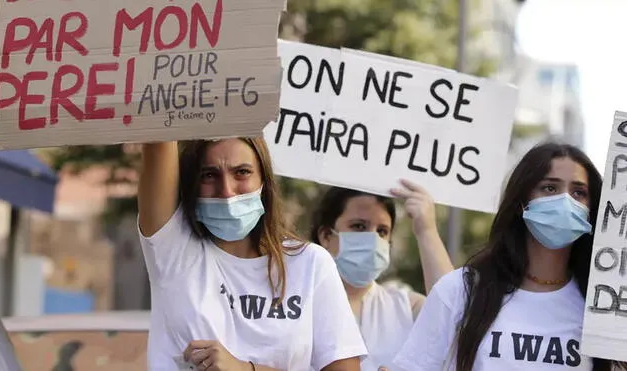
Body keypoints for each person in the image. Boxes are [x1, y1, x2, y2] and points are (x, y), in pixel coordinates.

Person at [393, 142, 627, 371]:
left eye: (579, 192)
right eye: (550, 188)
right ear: (522, 201)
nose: (565, 201)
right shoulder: (460, 290)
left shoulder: (604, 305)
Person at [137, 139, 367, 371]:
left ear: (264, 183)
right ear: (192, 185)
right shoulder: (173, 252)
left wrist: (245, 369)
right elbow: (159, 134)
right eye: (209, 175)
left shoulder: (310, 263)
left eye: (242, 172)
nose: (226, 191)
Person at [310, 180, 454, 371]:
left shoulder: (408, 309)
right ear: (326, 236)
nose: (373, 238)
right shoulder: (296, 304)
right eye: (359, 226)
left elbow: (455, 318)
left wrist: (426, 230)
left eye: (382, 231)